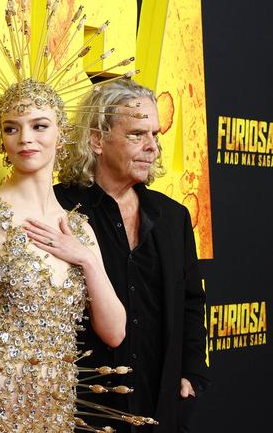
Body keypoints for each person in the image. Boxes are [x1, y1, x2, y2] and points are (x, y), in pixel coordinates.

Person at [0, 78, 128, 432]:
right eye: (11, 128)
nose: (25, 138)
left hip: (55, 406)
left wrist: (87, 260)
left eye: (39, 126)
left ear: (61, 133)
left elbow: (114, 333)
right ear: (2, 139)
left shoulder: (79, 229)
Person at [52, 78, 210, 432]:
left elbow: (191, 300)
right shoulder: (58, 208)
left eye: (155, 135)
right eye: (137, 134)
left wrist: (191, 371)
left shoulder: (174, 217)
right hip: (82, 407)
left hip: (160, 402)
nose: (152, 147)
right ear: (97, 139)